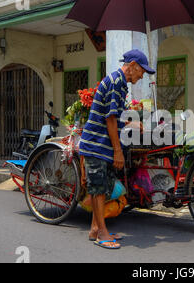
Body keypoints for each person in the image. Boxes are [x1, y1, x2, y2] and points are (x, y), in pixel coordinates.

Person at [79, 49, 155, 250]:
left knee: (103, 188)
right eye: (141, 72)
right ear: (132, 66)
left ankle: (96, 228)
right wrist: (117, 151)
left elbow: (115, 116)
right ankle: (101, 234)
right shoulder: (115, 82)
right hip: (97, 144)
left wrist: (131, 124)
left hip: (101, 143)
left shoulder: (120, 84)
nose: (141, 76)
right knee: (98, 189)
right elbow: (110, 119)